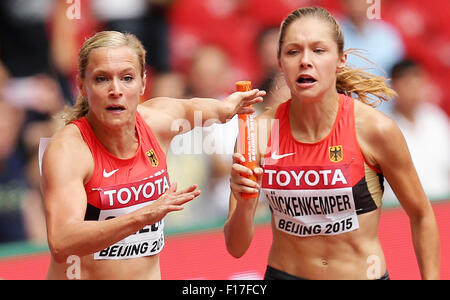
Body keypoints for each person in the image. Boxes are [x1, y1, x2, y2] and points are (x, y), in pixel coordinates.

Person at [224, 7, 440, 280]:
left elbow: (422, 215)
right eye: (293, 52)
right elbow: (235, 247)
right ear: (279, 63)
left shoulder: (375, 129)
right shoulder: (260, 133)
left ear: (340, 60)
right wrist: (245, 204)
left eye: (318, 50)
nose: (305, 61)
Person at [41, 31, 264, 280]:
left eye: (127, 78)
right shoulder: (69, 149)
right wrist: (144, 216)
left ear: (143, 83)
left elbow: (194, 108)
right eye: (102, 79)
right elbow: (62, 241)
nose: (116, 89)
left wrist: (224, 109)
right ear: (82, 85)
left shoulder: (158, 121)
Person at [383, 59, 450, 205]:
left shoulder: (437, 119)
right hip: (399, 210)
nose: (413, 90)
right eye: (407, 84)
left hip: (443, 204)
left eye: (417, 83)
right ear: (392, 87)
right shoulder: (382, 125)